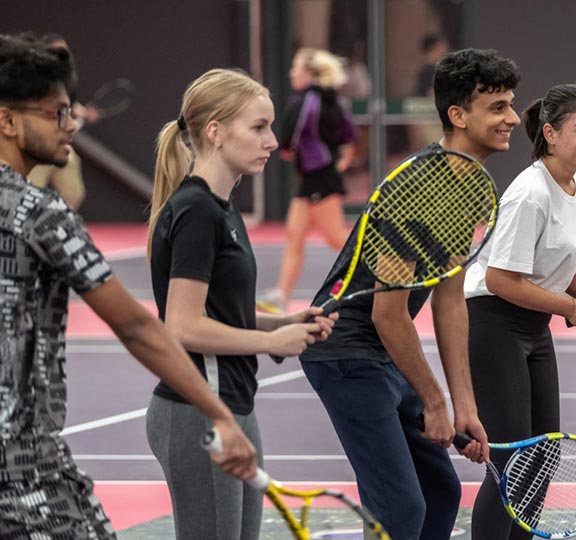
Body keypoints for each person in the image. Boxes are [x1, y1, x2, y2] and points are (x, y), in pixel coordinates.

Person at [0, 34, 257, 538]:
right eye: (56, 113)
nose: (71, 123)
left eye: (70, 110)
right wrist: (217, 413)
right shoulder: (41, 214)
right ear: (8, 121)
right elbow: (137, 326)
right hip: (23, 467)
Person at [298, 48, 520, 540]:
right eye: (498, 107)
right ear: (458, 116)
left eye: (511, 104)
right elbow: (388, 313)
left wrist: (465, 405)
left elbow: (449, 300)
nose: (512, 118)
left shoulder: (468, 187)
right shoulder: (417, 187)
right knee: (400, 507)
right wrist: (435, 400)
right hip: (346, 351)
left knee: (440, 492)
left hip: (380, 354)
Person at [144, 68, 338, 540]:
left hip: (233, 405)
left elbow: (220, 311)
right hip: (198, 412)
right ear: (215, 131)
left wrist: (283, 322)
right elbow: (184, 326)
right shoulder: (197, 211)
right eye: (258, 127)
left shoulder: (222, 206)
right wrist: (273, 339)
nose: (273, 140)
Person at [464, 83, 576, 539]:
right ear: (551, 134)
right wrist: (571, 308)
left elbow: (565, 260)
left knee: (543, 456)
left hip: (533, 327)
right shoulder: (528, 193)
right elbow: (501, 280)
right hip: (493, 323)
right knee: (511, 463)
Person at [257, 48, 357, 314]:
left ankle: (382, 272)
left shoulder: (308, 99)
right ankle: (281, 296)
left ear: (309, 73)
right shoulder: (332, 98)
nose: (292, 72)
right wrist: (344, 153)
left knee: (337, 238)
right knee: (295, 234)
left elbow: (293, 132)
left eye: (296, 68)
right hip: (314, 177)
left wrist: (288, 149)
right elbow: (349, 132)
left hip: (320, 176)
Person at [25, 33, 88, 209]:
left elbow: (70, 105)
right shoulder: (34, 82)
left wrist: (80, 111)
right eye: (56, 53)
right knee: (30, 194)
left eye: (64, 53)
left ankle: (56, 225)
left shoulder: (69, 82)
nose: (61, 58)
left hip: (62, 147)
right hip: (38, 146)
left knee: (74, 193)